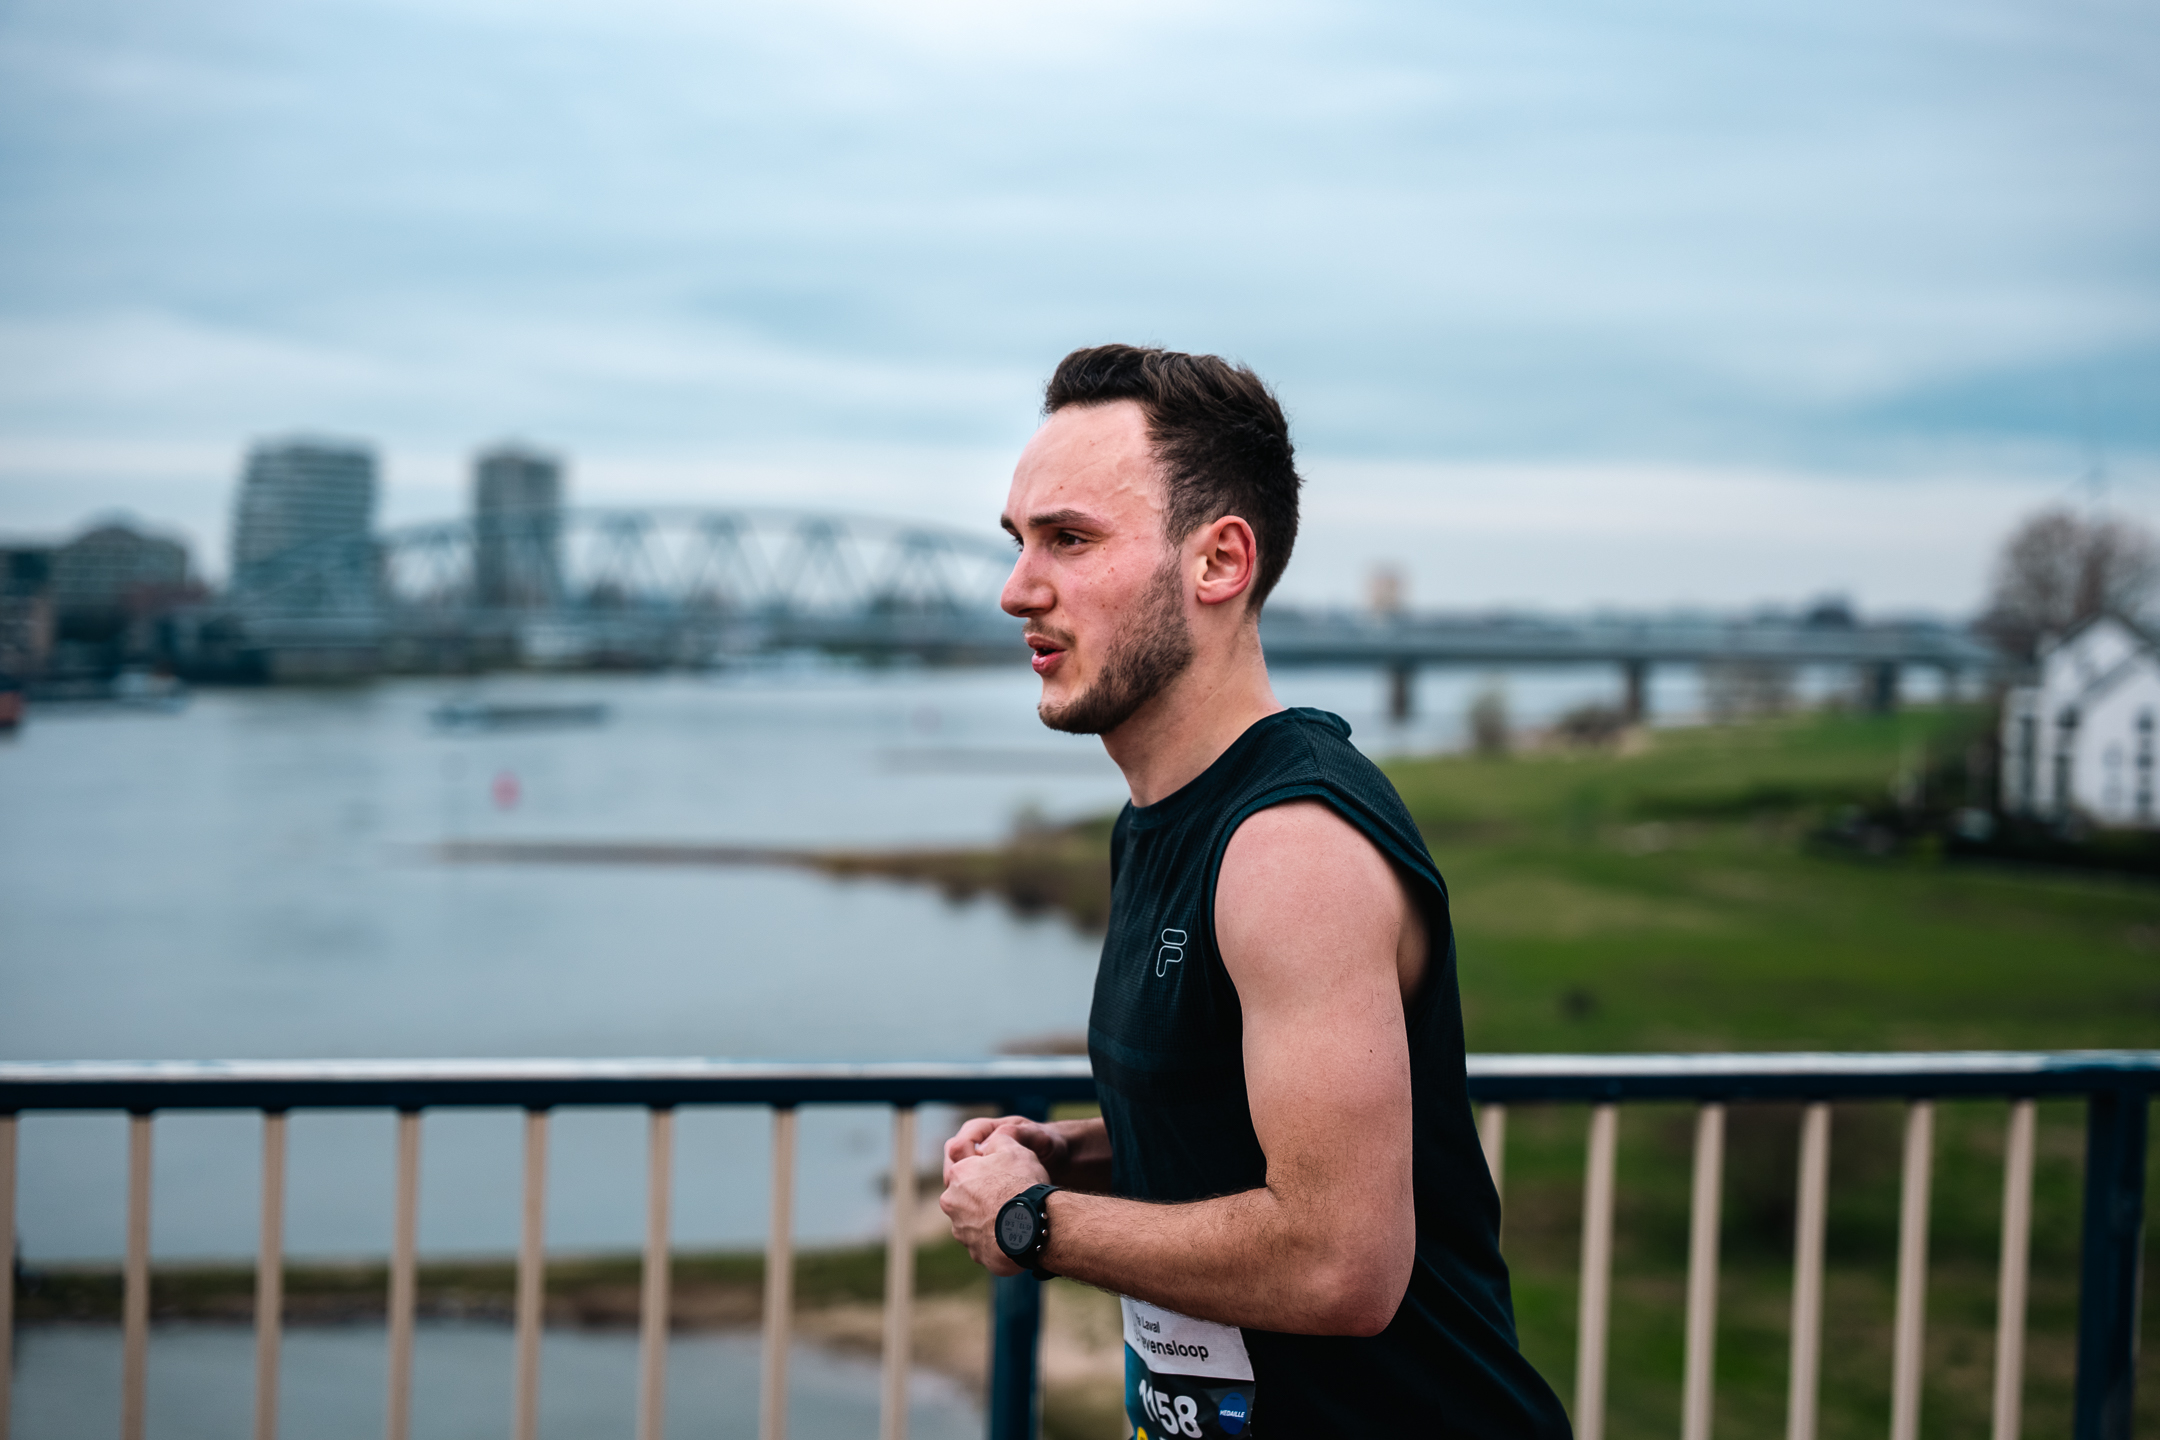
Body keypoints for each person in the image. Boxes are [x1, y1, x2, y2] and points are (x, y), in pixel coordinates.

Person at [939, 344, 1572, 1437]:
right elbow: (1247, 1110)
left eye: (1070, 540)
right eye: (1018, 542)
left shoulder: (1289, 847)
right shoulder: (1162, 820)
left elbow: (1338, 1262)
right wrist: (1079, 1152)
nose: (1017, 590)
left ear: (1220, 561)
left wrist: (1035, 1224)